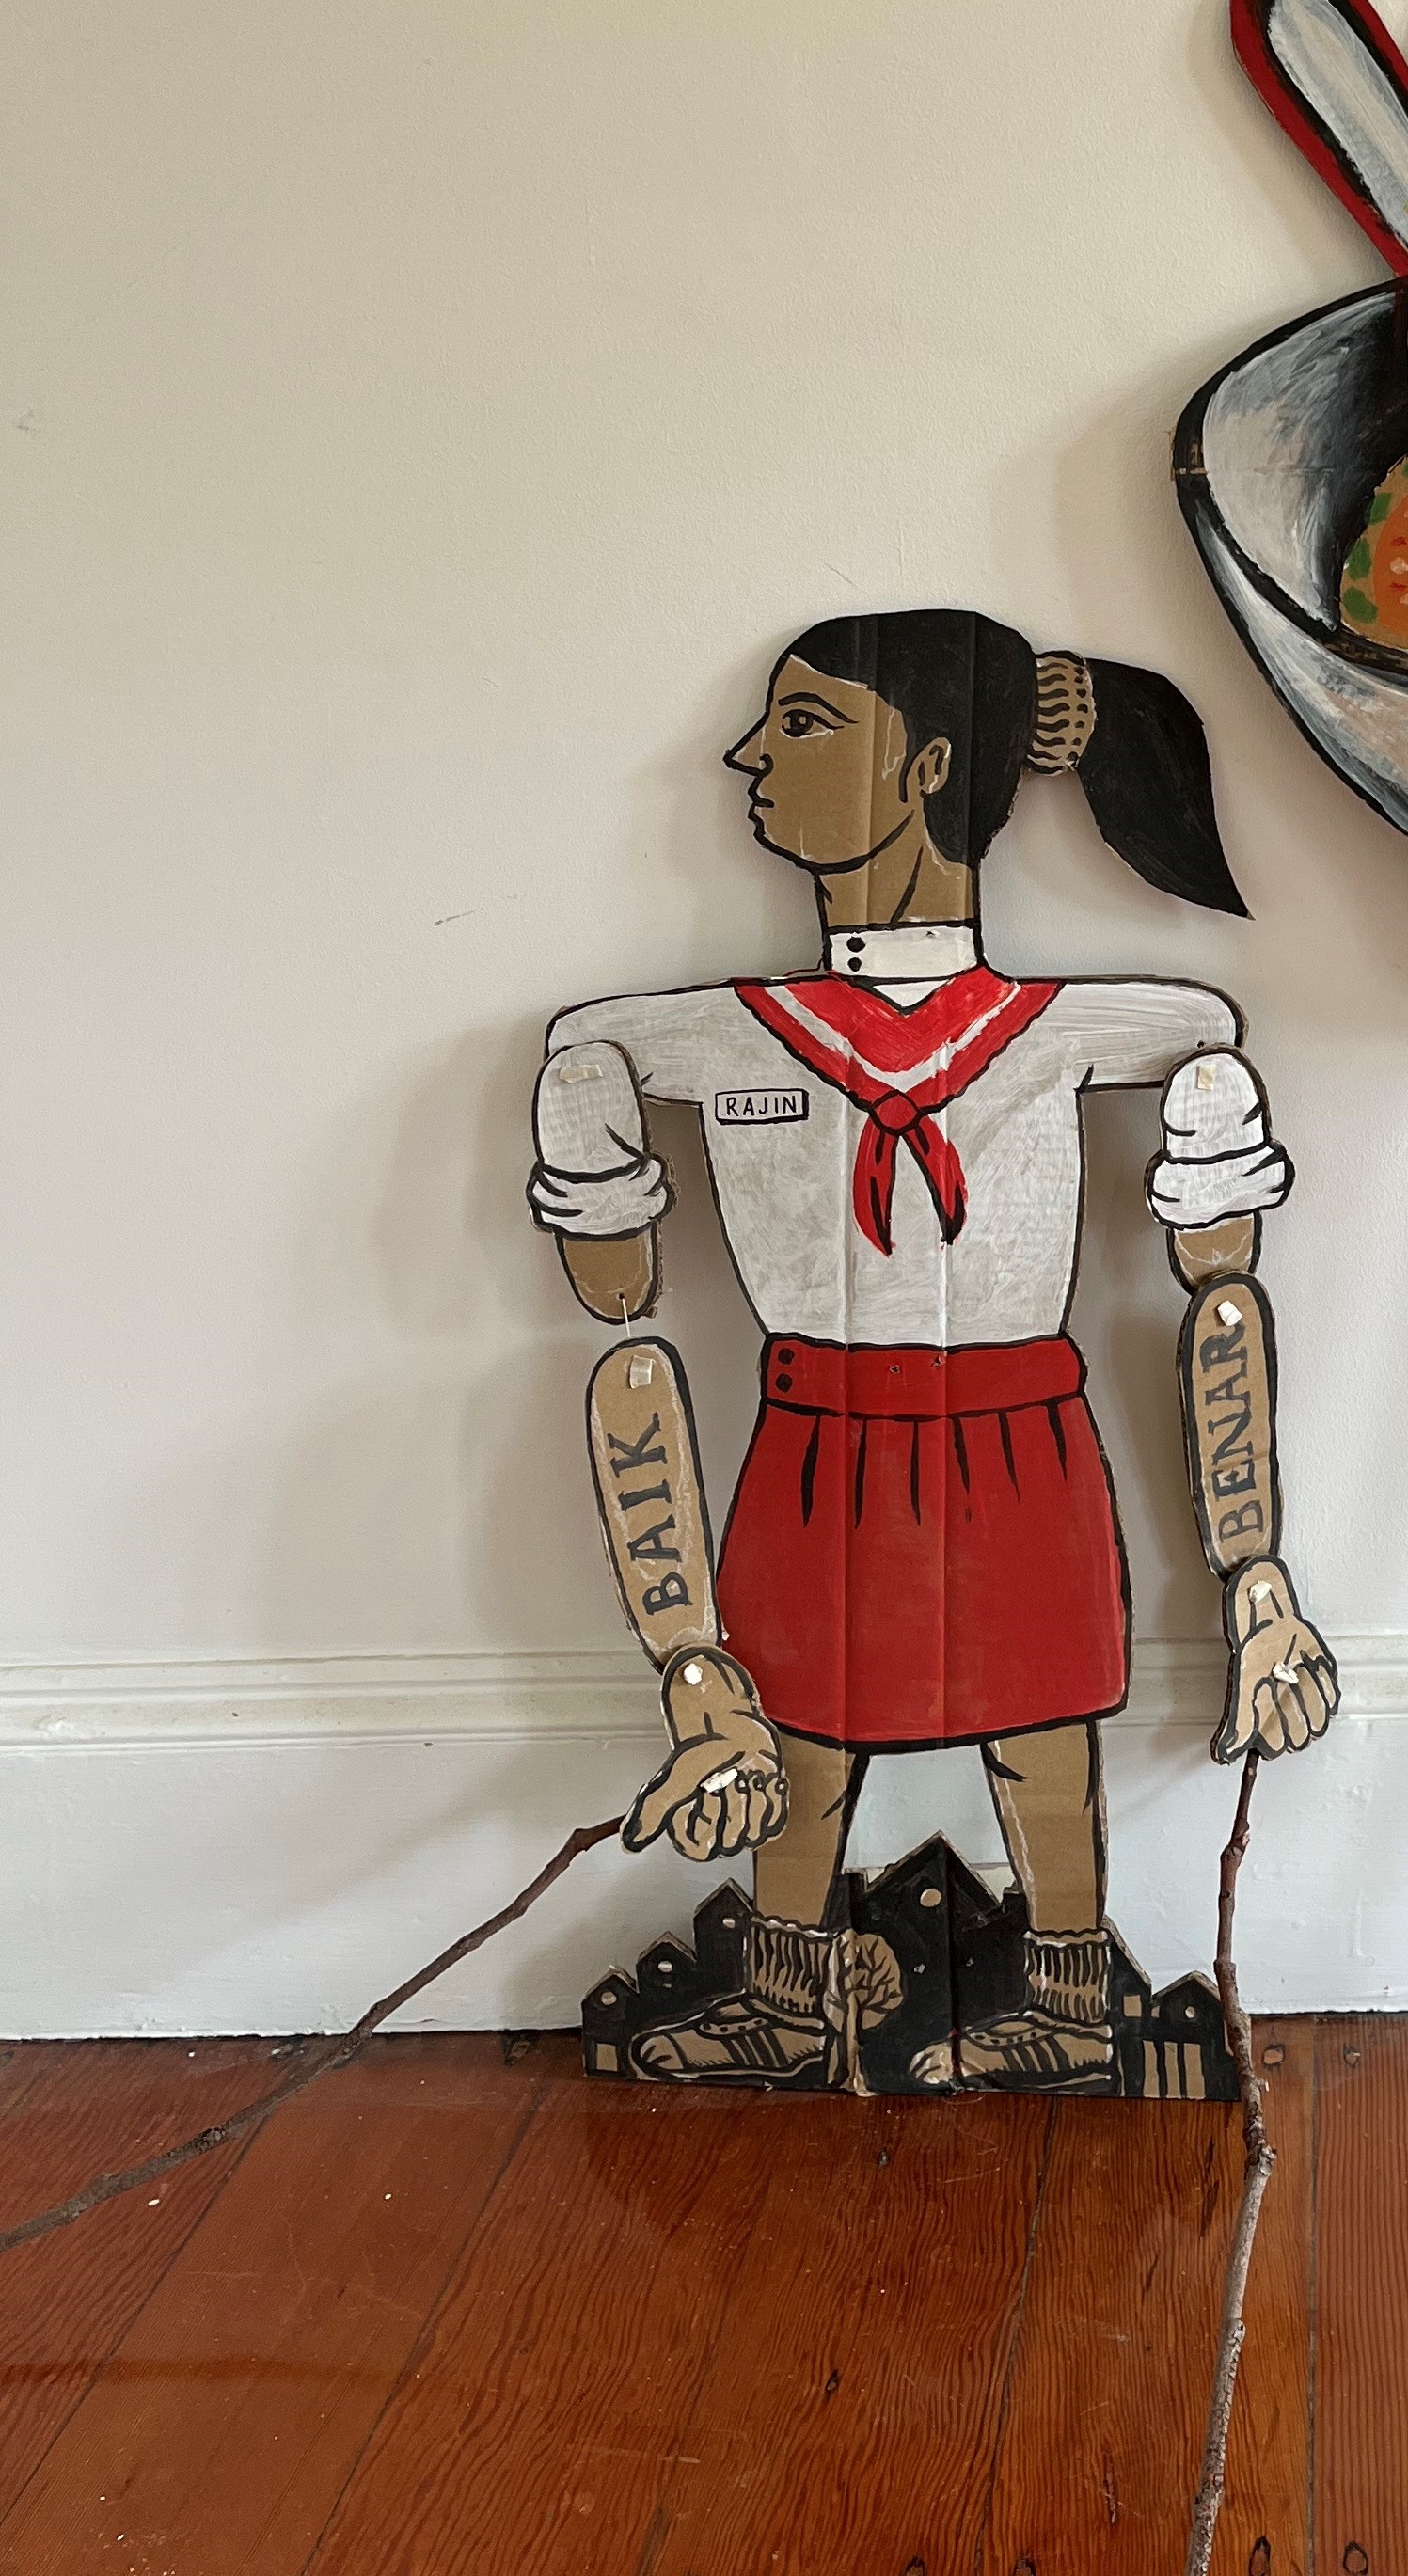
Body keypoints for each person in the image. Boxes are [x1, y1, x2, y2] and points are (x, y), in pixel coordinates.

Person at [529, 608, 1335, 2091]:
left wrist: (1257, 1581)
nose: (745, 757)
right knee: (804, 1733)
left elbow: (1218, 1277)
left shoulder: (1089, 1028)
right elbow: (605, 1192)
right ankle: (785, 2001)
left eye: (804, 724)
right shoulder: (720, 1038)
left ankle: (1071, 2005)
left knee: (1042, 1733)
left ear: (930, 766)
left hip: (1019, 1424)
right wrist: (683, 1656)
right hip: (817, 1425)